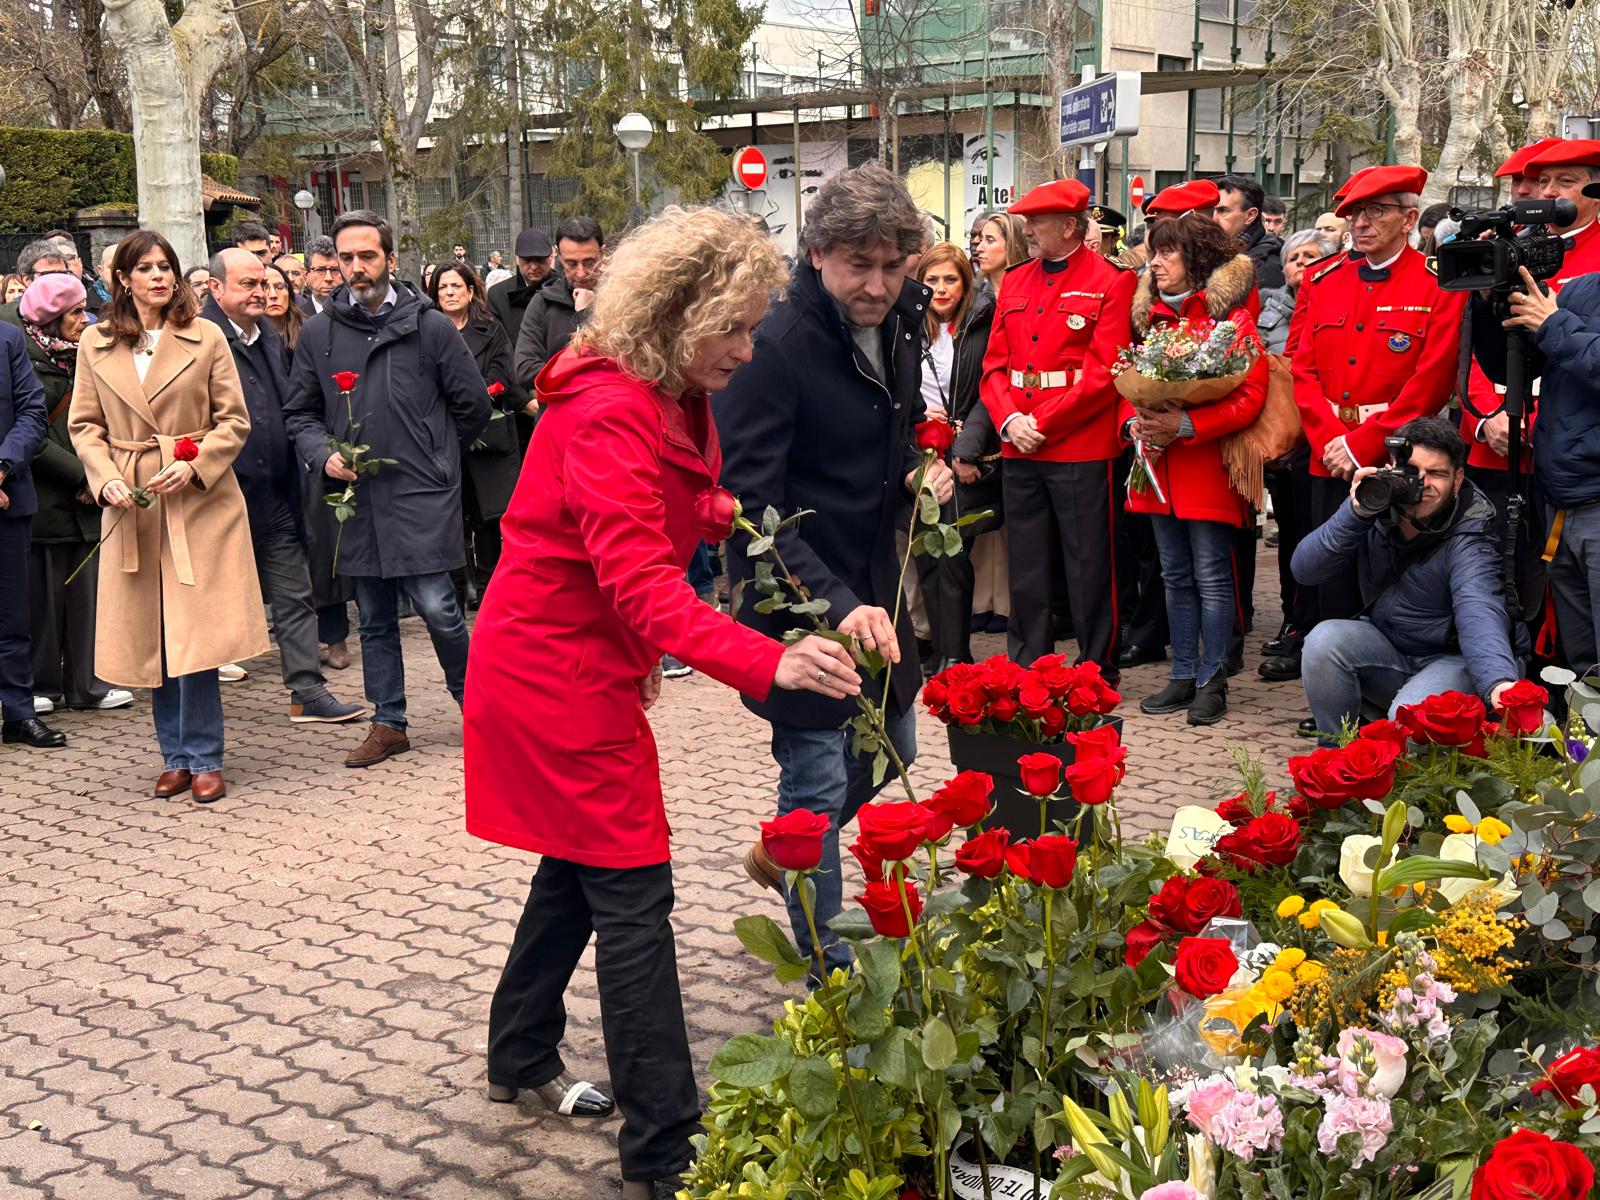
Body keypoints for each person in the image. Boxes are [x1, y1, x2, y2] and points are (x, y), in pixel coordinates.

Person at [463, 205, 858, 1200]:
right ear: (673, 317)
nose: (746, 346)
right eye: (730, 327)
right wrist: (768, 664)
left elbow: (665, 504)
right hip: (554, 676)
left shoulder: (662, 391)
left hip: (574, 664)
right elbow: (641, 582)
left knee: (578, 866)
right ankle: (667, 1149)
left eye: (753, 323)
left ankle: (519, 1056)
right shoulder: (610, 407)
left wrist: (722, 515)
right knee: (632, 891)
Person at [717, 163, 951, 972]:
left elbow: (903, 414)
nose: (880, 285)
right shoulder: (773, 345)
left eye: (894, 266)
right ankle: (829, 971)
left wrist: (924, 463)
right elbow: (746, 499)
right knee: (817, 781)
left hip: (875, 578)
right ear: (817, 253)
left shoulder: (904, 313)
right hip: (797, 593)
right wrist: (832, 602)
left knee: (900, 742)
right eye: (861, 265)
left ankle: (786, 847)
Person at [282, 210, 491, 768]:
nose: (354, 268)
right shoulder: (321, 332)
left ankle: (477, 708)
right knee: (372, 615)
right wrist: (323, 456)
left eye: (366, 256)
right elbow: (299, 413)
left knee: (438, 608)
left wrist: (435, 456)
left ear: (390, 260)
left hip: (421, 493)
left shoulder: (431, 327)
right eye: (344, 259)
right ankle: (388, 720)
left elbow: (473, 406)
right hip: (356, 499)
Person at [68, 230, 271, 800]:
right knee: (152, 631)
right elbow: (84, 425)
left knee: (193, 630)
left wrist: (196, 464)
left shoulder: (205, 336)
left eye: (166, 267)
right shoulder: (97, 340)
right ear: (123, 279)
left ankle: (204, 755)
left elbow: (234, 420)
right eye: (145, 268)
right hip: (133, 497)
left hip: (197, 499)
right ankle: (174, 755)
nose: (158, 276)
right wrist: (106, 478)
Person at [1282, 165, 1465, 726]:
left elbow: (1430, 382)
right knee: (1331, 573)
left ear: (1410, 219)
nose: (1361, 223)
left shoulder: (1437, 283)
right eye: (1355, 214)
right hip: (1327, 448)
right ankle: (1332, 695)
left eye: (1377, 212)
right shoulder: (1323, 280)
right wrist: (1329, 438)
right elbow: (1300, 368)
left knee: (1383, 571)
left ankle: (1382, 686)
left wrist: (1361, 445)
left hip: (1395, 456)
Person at [201, 248, 368, 727]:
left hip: (276, 492)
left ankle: (307, 690)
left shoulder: (267, 336)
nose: (263, 292)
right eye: (249, 284)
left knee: (294, 593)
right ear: (216, 290)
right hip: (221, 493)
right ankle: (195, 702)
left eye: (266, 284)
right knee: (210, 601)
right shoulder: (199, 338)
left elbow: (290, 408)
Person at [980, 178, 1135, 678]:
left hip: (1079, 444)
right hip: (1021, 442)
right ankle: (1030, 662)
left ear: (1069, 226)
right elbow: (993, 367)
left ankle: (1097, 662)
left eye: (1037, 222)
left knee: (1088, 562)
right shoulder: (1018, 280)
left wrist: (1040, 423)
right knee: (1027, 562)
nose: (1027, 230)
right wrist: (1008, 420)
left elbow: (1102, 373)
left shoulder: (1111, 281)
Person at [1293, 418, 1521, 742]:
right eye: (1413, 471)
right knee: (1323, 640)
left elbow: (1478, 608)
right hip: (1392, 647)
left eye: (1438, 474)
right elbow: (1306, 570)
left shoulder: (1472, 530)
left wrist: (1498, 682)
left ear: (1457, 480)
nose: (1423, 484)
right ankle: (1336, 755)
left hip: (1454, 659)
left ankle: (1399, 778)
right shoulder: (1378, 503)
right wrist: (1355, 513)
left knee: (1406, 716)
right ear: (1393, 467)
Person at [1123, 217, 1268, 726]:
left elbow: (1250, 398)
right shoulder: (1151, 321)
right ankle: (1182, 674)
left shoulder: (1231, 321)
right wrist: (1135, 425)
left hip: (1205, 466)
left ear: (1198, 260)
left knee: (1210, 576)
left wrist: (1187, 423)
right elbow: (1124, 384)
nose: (1155, 262)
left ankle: (1212, 680)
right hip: (1161, 471)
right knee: (1174, 576)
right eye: (1153, 253)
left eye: (1167, 253)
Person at [1474, 169, 1600, 677]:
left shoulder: (1570, 303)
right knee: (1583, 663)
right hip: (1564, 498)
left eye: (1562, 182)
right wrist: (1489, 303)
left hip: (1593, 496)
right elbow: (1511, 367)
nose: (1547, 195)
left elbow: (1565, 340)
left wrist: (1554, 324)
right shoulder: (1584, 287)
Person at [20, 274, 132, 716]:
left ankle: (88, 684)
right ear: (48, 318)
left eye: (83, 309)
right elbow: (32, 433)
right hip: (48, 499)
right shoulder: (25, 361)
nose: (82, 319)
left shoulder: (86, 355)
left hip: (89, 498)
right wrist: (81, 478)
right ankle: (42, 683)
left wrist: (101, 473)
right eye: (71, 312)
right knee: (43, 598)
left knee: (87, 594)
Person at [1256, 230, 1339, 683]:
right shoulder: (1269, 311)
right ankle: (1295, 620)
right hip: (1285, 444)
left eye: (1312, 257)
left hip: (1329, 439)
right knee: (1293, 536)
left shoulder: (1333, 299)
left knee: (1323, 537)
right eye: (1294, 257)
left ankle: (1319, 632)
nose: (1301, 265)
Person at [917, 242, 1001, 670]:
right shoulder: (907, 326)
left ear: (965, 282)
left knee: (951, 548)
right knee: (925, 551)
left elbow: (989, 390)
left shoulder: (979, 325)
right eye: (932, 280)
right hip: (919, 451)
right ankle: (938, 647)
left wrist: (966, 449)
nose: (941, 289)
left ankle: (956, 651)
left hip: (967, 452)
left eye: (950, 279)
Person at [427, 261, 523, 600]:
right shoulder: (427, 330)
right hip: (443, 434)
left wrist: (472, 397)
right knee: (453, 516)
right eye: (443, 288)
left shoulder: (491, 329)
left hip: (486, 434)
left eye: (456, 286)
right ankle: (458, 586)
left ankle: (488, 587)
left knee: (487, 516)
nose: (450, 293)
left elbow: (503, 374)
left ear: (470, 291)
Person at [0, 286, 57, 747]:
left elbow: (33, 413)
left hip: (8, 495)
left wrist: (2, 467)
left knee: (13, 616)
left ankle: (18, 713)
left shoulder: (8, 340)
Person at [515, 216, 605, 389]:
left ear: (603, 253)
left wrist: (586, 314)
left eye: (589, 262)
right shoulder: (543, 302)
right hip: (558, 413)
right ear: (557, 255)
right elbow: (525, 369)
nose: (581, 273)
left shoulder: (622, 299)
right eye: (571, 264)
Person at [1215, 173, 1286, 289]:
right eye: (1212, 210)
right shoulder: (1214, 253)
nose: (1214, 218)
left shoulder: (1265, 267)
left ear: (1250, 216)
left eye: (1223, 210)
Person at [487, 227, 554, 335]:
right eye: (527, 260)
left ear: (551, 258)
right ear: (517, 259)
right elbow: (497, 343)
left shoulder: (564, 289)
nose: (534, 266)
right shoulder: (498, 295)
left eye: (540, 259)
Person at [973, 212, 1028, 297]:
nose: (979, 248)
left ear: (1013, 244)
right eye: (982, 239)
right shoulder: (971, 294)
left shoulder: (1033, 290)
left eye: (990, 240)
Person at [262, 261, 305, 350]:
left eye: (279, 286)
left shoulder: (308, 332)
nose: (273, 295)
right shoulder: (249, 339)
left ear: (289, 293)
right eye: (264, 288)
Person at [299, 236, 341, 316]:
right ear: (306, 275)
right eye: (320, 270)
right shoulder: (296, 321)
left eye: (335, 270)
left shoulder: (361, 316)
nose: (328, 278)